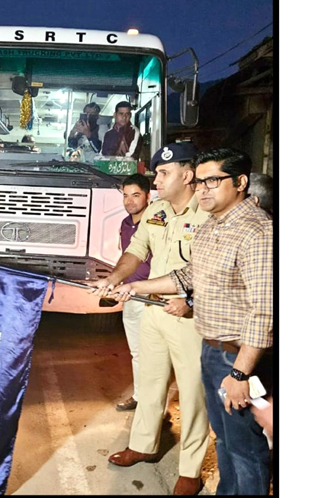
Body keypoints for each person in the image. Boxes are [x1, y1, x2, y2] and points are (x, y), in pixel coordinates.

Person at [111, 147, 273, 495]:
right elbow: (186, 273)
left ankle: (191, 470)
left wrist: (239, 373)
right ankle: (145, 445)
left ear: (240, 182)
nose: (203, 189)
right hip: (186, 329)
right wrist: (129, 284)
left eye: (212, 181)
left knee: (233, 436)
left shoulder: (248, 228)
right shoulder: (202, 222)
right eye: (202, 182)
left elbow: (261, 309)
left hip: (219, 340)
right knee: (221, 437)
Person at [90, 143, 210, 496]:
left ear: (187, 175)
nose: (155, 181)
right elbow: (136, 249)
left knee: (192, 393)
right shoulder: (156, 211)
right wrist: (115, 278)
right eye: (156, 173)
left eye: (163, 173)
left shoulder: (206, 213)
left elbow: (206, 272)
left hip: (188, 316)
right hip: (153, 310)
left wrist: (187, 298)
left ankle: (190, 469)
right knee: (150, 382)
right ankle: (143, 445)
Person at [115, 173, 152, 412]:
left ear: (148, 196)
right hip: (130, 296)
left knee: (155, 354)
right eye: (126, 196)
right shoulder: (125, 224)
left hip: (153, 297)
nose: (129, 201)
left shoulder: (157, 223)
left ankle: (154, 405)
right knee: (137, 353)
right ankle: (140, 397)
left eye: (136, 195)